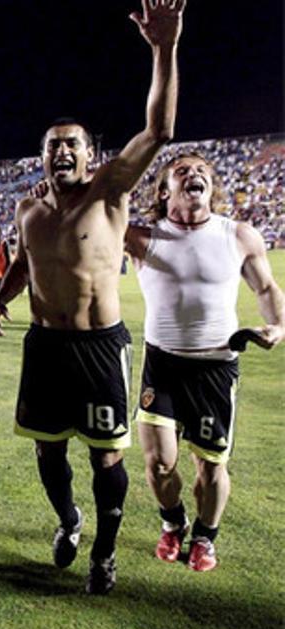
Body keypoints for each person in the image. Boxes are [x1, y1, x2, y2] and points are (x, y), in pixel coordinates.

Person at [0, 0, 185, 594]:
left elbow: (159, 130)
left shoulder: (110, 191)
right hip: (45, 347)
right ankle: (69, 522)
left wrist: (163, 47)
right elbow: (24, 263)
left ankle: (103, 550)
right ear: (42, 157)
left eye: (72, 143)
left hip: (99, 346)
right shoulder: (28, 209)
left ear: (89, 154)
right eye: (53, 146)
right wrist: (0, 298)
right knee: (48, 453)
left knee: (105, 457)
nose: (63, 151)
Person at [129, 152, 283, 572]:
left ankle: (204, 537)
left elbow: (267, 287)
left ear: (212, 187)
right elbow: (90, 217)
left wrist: (278, 326)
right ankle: (172, 521)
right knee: (159, 463)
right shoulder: (142, 238)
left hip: (216, 367)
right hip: (161, 363)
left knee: (211, 467)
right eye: (182, 171)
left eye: (203, 172)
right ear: (164, 191)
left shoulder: (239, 236)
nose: (195, 175)